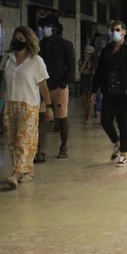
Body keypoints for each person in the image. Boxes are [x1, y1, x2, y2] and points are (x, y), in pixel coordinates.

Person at [1, 27, 54, 189]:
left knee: (25, 140)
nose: (18, 41)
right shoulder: (7, 59)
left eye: (22, 38)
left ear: (28, 41)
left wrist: (49, 106)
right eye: (16, 38)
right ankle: (28, 171)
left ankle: (16, 173)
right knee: (13, 140)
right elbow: (2, 81)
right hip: (11, 104)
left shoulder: (36, 61)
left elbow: (43, 86)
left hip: (29, 105)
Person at [92, 21, 127, 167]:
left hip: (124, 92)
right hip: (109, 91)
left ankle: (124, 154)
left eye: (118, 29)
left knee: (123, 123)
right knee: (105, 120)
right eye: (113, 30)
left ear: (124, 32)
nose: (115, 32)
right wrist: (94, 90)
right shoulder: (106, 50)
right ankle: (117, 142)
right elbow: (99, 72)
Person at [35, 15, 76, 162]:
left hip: (59, 85)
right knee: (41, 118)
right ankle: (40, 151)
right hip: (43, 86)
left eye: (47, 27)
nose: (44, 30)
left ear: (55, 29)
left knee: (61, 117)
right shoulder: (40, 45)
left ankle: (63, 147)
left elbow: (71, 65)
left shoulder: (66, 45)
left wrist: (66, 81)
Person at [78, 44, 97, 125]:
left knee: (90, 99)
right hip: (84, 79)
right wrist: (85, 62)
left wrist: (93, 68)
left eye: (89, 54)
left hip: (91, 80)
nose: (87, 55)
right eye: (86, 53)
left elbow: (94, 72)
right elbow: (80, 70)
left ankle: (89, 117)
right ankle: (87, 114)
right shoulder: (81, 60)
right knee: (84, 100)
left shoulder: (95, 61)